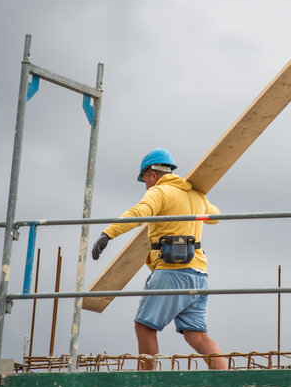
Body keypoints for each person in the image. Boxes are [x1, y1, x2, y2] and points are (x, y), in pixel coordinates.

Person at [91, 148, 227, 370]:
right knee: (197, 335)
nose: (145, 185)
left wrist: (109, 233)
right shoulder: (195, 195)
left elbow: (140, 212)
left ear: (153, 175)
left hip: (171, 273)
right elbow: (215, 217)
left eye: (144, 179)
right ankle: (225, 379)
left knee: (144, 327)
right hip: (199, 275)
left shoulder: (159, 192)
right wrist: (197, 200)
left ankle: (147, 383)